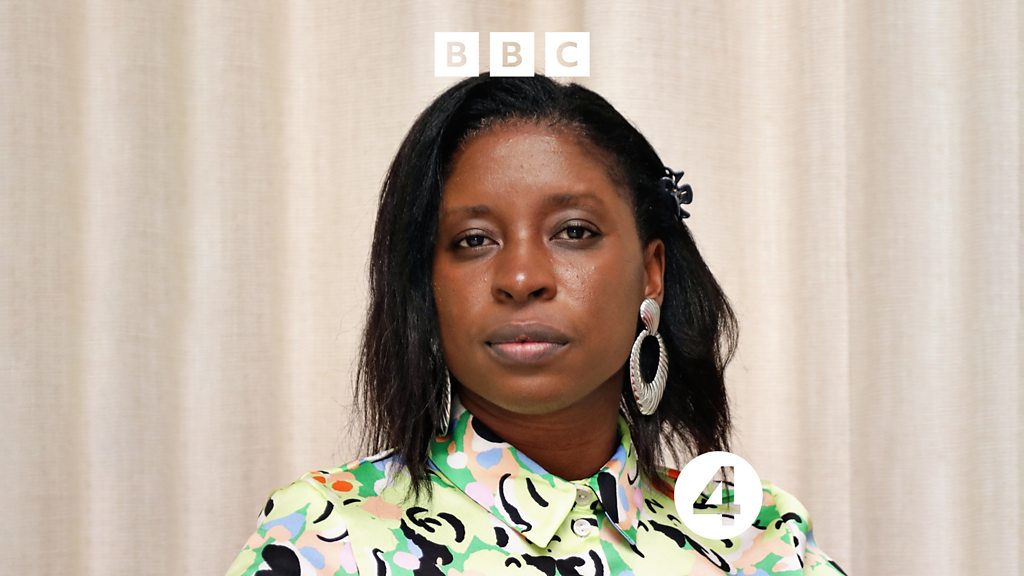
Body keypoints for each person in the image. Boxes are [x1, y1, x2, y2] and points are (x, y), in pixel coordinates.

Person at [226, 73, 847, 575]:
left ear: (651, 273)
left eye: (573, 231)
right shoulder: (322, 538)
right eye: (474, 240)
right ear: (426, 285)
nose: (521, 278)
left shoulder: (760, 538)